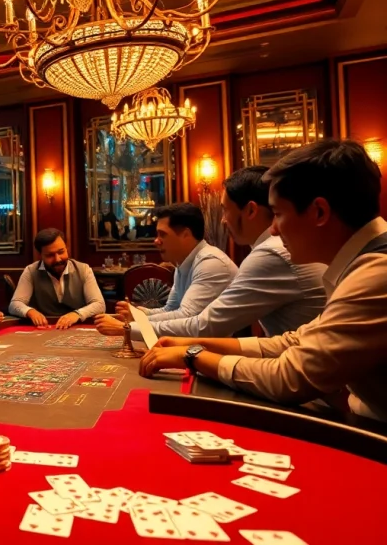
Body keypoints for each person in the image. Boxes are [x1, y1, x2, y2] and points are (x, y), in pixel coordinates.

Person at [140, 139, 387, 422]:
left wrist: (193, 355)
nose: (273, 229)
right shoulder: (365, 262)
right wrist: (195, 344)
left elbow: (289, 377)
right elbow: (293, 341)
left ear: (319, 212)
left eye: (279, 214)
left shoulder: (377, 272)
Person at [96, 167, 325, 339]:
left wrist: (130, 327)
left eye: (225, 210)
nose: (223, 220)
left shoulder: (266, 253)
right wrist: (137, 317)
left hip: (320, 389)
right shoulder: (268, 249)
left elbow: (203, 325)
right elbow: (174, 311)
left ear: (251, 210)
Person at [97, 203, 237, 334]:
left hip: (227, 350)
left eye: (162, 234)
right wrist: (137, 313)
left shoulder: (210, 262)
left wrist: (128, 327)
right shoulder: (183, 263)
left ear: (185, 235)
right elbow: (170, 309)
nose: (156, 241)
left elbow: (187, 317)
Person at [9, 228, 106, 329]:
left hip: (76, 327)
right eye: (50, 255)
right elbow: (14, 304)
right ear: (40, 255)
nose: (58, 259)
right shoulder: (30, 271)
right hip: (44, 329)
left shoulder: (84, 270)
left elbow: (99, 305)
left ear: (66, 248)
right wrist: (30, 312)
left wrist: (76, 314)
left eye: (61, 252)